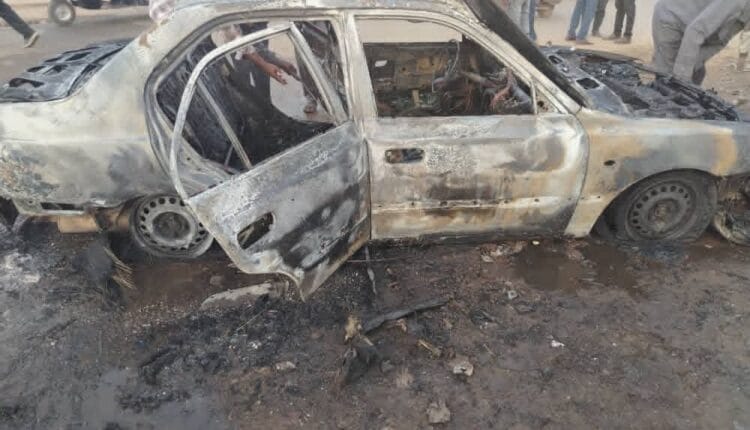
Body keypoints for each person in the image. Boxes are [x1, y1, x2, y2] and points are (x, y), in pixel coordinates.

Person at [652, 0, 750, 85]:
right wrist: (682, 79)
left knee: (697, 74)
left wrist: (695, 64)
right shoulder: (735, 3)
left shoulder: (745, 14)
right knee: (667, 79)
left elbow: (720, 41)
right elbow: (695, 32)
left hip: (690, 25)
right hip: (671, 17)